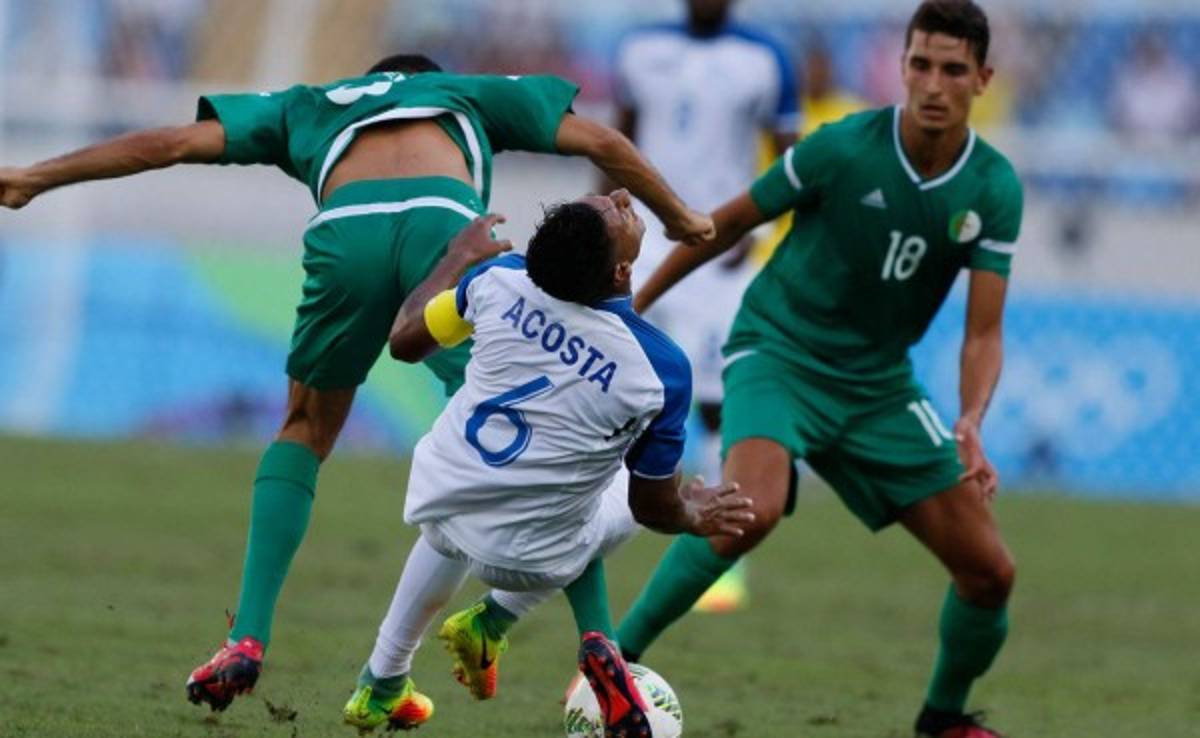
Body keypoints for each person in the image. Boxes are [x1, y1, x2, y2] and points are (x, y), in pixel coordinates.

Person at [0, 54, 715, 712]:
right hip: (447, 226)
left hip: (350, 229)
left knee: (304, 431)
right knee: (548, 440)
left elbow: (171, 144)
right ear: (419, 77)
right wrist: (682, 218)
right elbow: (603, 144)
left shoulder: (307, 104)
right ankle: (593, 640)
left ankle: (247, 639)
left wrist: (35, 177)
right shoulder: (456, 91)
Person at [616, 2, 1023, 737]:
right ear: (902, 67)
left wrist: (970, 420)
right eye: (920, 64)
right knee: (751, 509)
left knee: (990, 571)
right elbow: (731, 221)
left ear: (982, 79)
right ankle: (615, 659)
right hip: (779, 349)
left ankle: (942, 720)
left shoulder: (993, 188)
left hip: (878, 385)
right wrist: (636, 301)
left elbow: (983, 332)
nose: (934, 83)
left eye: (953, 69)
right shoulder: (842, 148)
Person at [342, 192, 753, 734]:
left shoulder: (498, 278)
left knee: (501, 499)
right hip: (536, 558)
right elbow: (651, 506)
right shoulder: (659, 370)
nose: (621, 196)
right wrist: (691, 514)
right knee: (604, 485)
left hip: (439, 499)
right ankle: (559, 633)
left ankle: (382, 682)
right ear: (622, 270)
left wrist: (455, 259)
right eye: (618, 212)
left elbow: (404, 342)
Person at [610, 0, 799, 613]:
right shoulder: (639, 50)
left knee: (720, 405)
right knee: (615, 392)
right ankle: (589, 534)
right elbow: (618, 143)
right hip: (645, 246)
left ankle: (722, 558)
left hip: (722, 253)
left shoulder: (767, 59)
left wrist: (759, 232)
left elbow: (789, 158)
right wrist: (603, 223)